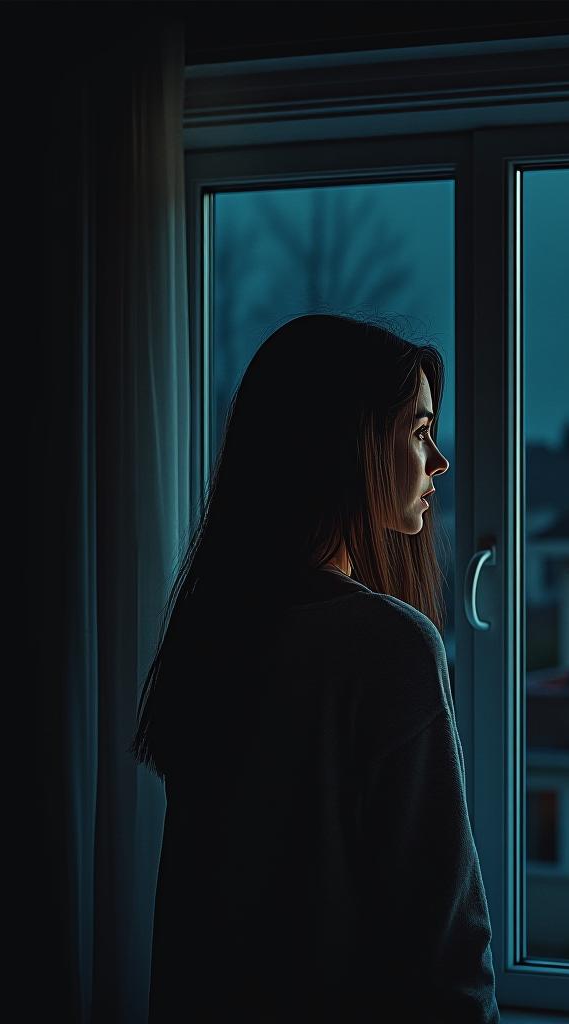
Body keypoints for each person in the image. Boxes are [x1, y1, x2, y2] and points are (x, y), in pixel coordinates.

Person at [131, 313, 500, 1022]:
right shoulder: (388, 646)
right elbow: (447, 939)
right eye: (420, 431)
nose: (439, 461)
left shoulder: (213, 632)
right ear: (354, 443)